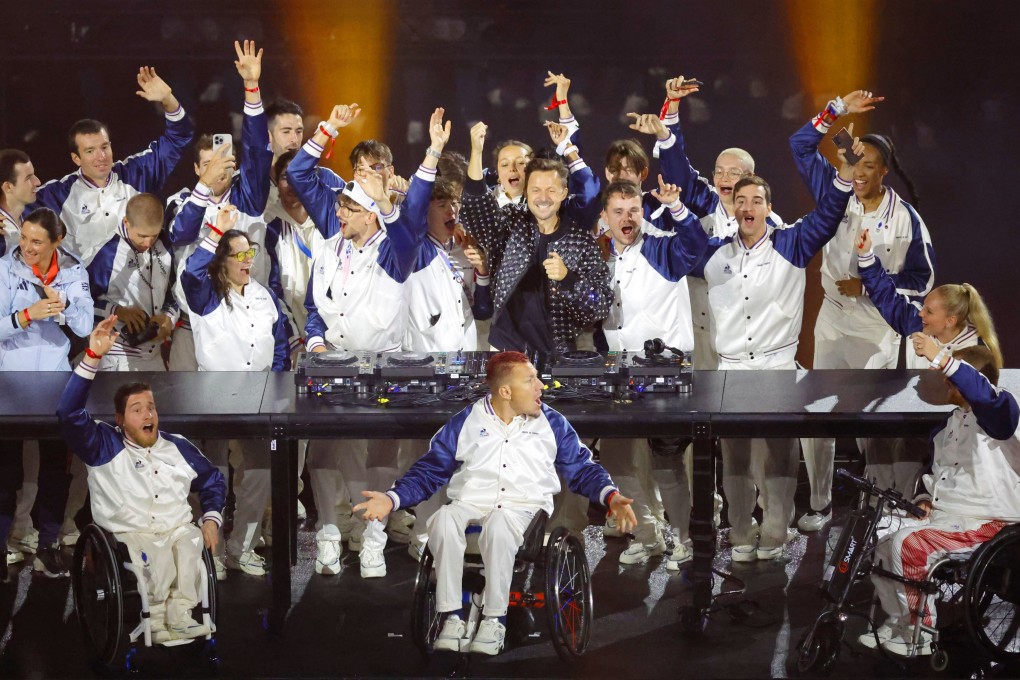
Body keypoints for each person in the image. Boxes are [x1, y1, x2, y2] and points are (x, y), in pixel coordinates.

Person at [354, 351, 637, 656]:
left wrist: (611, 495)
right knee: (445, 518)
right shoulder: (466, 421)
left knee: (500, 524)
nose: (541, 386)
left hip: (522, 510)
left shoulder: (552, 424)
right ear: (505, 391)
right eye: (530, 380)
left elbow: (582, 468)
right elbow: (430, 470)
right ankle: (451, 617)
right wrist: (392, 498)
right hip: (470, 504)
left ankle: (494, 619)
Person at [689, 147, 856, 562]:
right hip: (730, 372)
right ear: (733, 207)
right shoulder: (715, 252)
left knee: (779, 454)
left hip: (777, 367)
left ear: (768, 208)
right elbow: (669, 253)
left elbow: (830, 212)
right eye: (740, 201)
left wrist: (844, 177)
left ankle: (777, 529)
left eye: (757, 201)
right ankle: (741, 529)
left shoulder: (792, 243)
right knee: (737, 456)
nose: (747, 207)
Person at [295, 102, 437, 578]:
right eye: (341, 203)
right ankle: (331, 535)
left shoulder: (397, 250)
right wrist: (314, 343)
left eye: (350, 206)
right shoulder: (326, 246)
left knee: (378, 455)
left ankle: (372, 539)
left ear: (372, 214)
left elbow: (408, 223)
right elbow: (315, 308)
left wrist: (432, 153)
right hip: (331, 366)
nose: (339, 210)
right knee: (326, 453)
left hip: (383, 369)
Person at [791, 90, 936, 532]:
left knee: (877, 418)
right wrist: (835, 110)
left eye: (869, 166)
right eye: (855, 164)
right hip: (834, 318)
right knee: (817, 415)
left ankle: (884, 503)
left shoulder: (907, 218)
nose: (859, 173)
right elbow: (800, 146)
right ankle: (819, 503)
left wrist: (873, 287)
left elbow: (923, 282)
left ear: (884, 172)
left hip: (879, 326)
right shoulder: (837, 194)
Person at [52, 316, 226, 642]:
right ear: (120, 419)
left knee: (189, 543)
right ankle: (157, 617)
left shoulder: (178, 447)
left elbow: (213, 479)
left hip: (175, 528)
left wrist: (212, 519)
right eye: (137, 409)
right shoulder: (104, 444)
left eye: (151, 407)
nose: (148, 415)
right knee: (154, 553)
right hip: (130, 534)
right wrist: (91, 357)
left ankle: (180, 614)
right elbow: (69, 415)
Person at [859, 345, 1019, 656]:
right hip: (946, 515)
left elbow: (986, 398)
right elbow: (936, 472)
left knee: (908, 545)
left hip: (988, 519)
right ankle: (900, 621)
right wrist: (923, 499)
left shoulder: (1004, 414)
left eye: (950, 377)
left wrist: (945, 359)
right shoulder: (951, 423)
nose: (945, 382)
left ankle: (922, 633)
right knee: (878, 533)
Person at [596, 178, 707, 567]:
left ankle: (684, 537)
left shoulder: (661, 249)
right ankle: (647, 534)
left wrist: (677, 208)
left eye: (633, 210)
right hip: (619, 373)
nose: (627, 219)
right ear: (605, 217)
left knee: (666, 460)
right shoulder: (602, 259)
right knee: (620, 460)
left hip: (665, 373)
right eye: (618, 211)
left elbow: (695, 245)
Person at [181, 207, 289, 577]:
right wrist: (215, 232)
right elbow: (189, 273)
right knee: (213, 476)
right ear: (222, 261)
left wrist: (272, 385)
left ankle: (241, 547)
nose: (246, 261)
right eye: (238, 255)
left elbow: (280, 348)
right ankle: (209, 550)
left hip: (256, 396)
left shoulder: (263, 296)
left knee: (259, 472)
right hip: (214, 394)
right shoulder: (206, 294)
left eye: (250, 253)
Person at [652, 75, 782, 371]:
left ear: (749, 177)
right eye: (719, 171)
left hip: (747, 329)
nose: (724, 178)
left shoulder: (769, 221)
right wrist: (671, 109)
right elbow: (677, 168)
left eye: (733, 173)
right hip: (700, 324)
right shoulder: (702, 200)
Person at [165, 40, 272, 372]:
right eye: (208, 163)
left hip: (245, 312)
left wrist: (251, 88)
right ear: (196, 169)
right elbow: (181, 234)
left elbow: (257, 151)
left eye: (224, 161)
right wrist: (203, 186)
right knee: (191, 410)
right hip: (193, 320)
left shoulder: (248, 199)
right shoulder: (180, 201)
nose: (217, 169)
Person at [461, 122, 610, 355]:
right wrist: (476, 152)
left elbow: (598, 306)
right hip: (506, 350)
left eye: (551, 190)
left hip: (560, 355)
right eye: (535, 190)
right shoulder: (510, 225)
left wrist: (568, 279)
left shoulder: (580, 241)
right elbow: (476, 211)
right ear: (526, 192)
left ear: (563, 192)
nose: (543, 198)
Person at [0, 207, 93, 578]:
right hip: (9, 381)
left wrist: (65, 304)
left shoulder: (72, 271)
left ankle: (48, 545)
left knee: (56, 470)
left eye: (37, 241)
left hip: (55, 381)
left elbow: (86, 325)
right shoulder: (5, 267)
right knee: (6, 472)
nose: (26, 247)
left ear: (57, 241)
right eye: (23, 238)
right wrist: (27, 315)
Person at [33, 67, 193, 265]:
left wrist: (168, 99)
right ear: (76, 158)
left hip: (140, 291)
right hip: (85, 293)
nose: (101, 157)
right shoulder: (56, 195)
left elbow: (179, 138)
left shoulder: (136, 174)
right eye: (90, 151)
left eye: (104, 147)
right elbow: (12, 205)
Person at [87, 193, 176, 372]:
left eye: (154, 235)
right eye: (142, 235)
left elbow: (175, 292)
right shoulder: (106, 254)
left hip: (155, 356)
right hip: (117, 355)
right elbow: (79, 304)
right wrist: (117, 311)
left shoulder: (166, 244)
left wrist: (169, 317)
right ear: (126, 222)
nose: (148, 242)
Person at [0, 149, 42, 258]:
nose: (37, 182)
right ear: (8, 187)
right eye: (28, 178)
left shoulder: (35, 213)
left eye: (34, 174)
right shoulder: (2, 233)